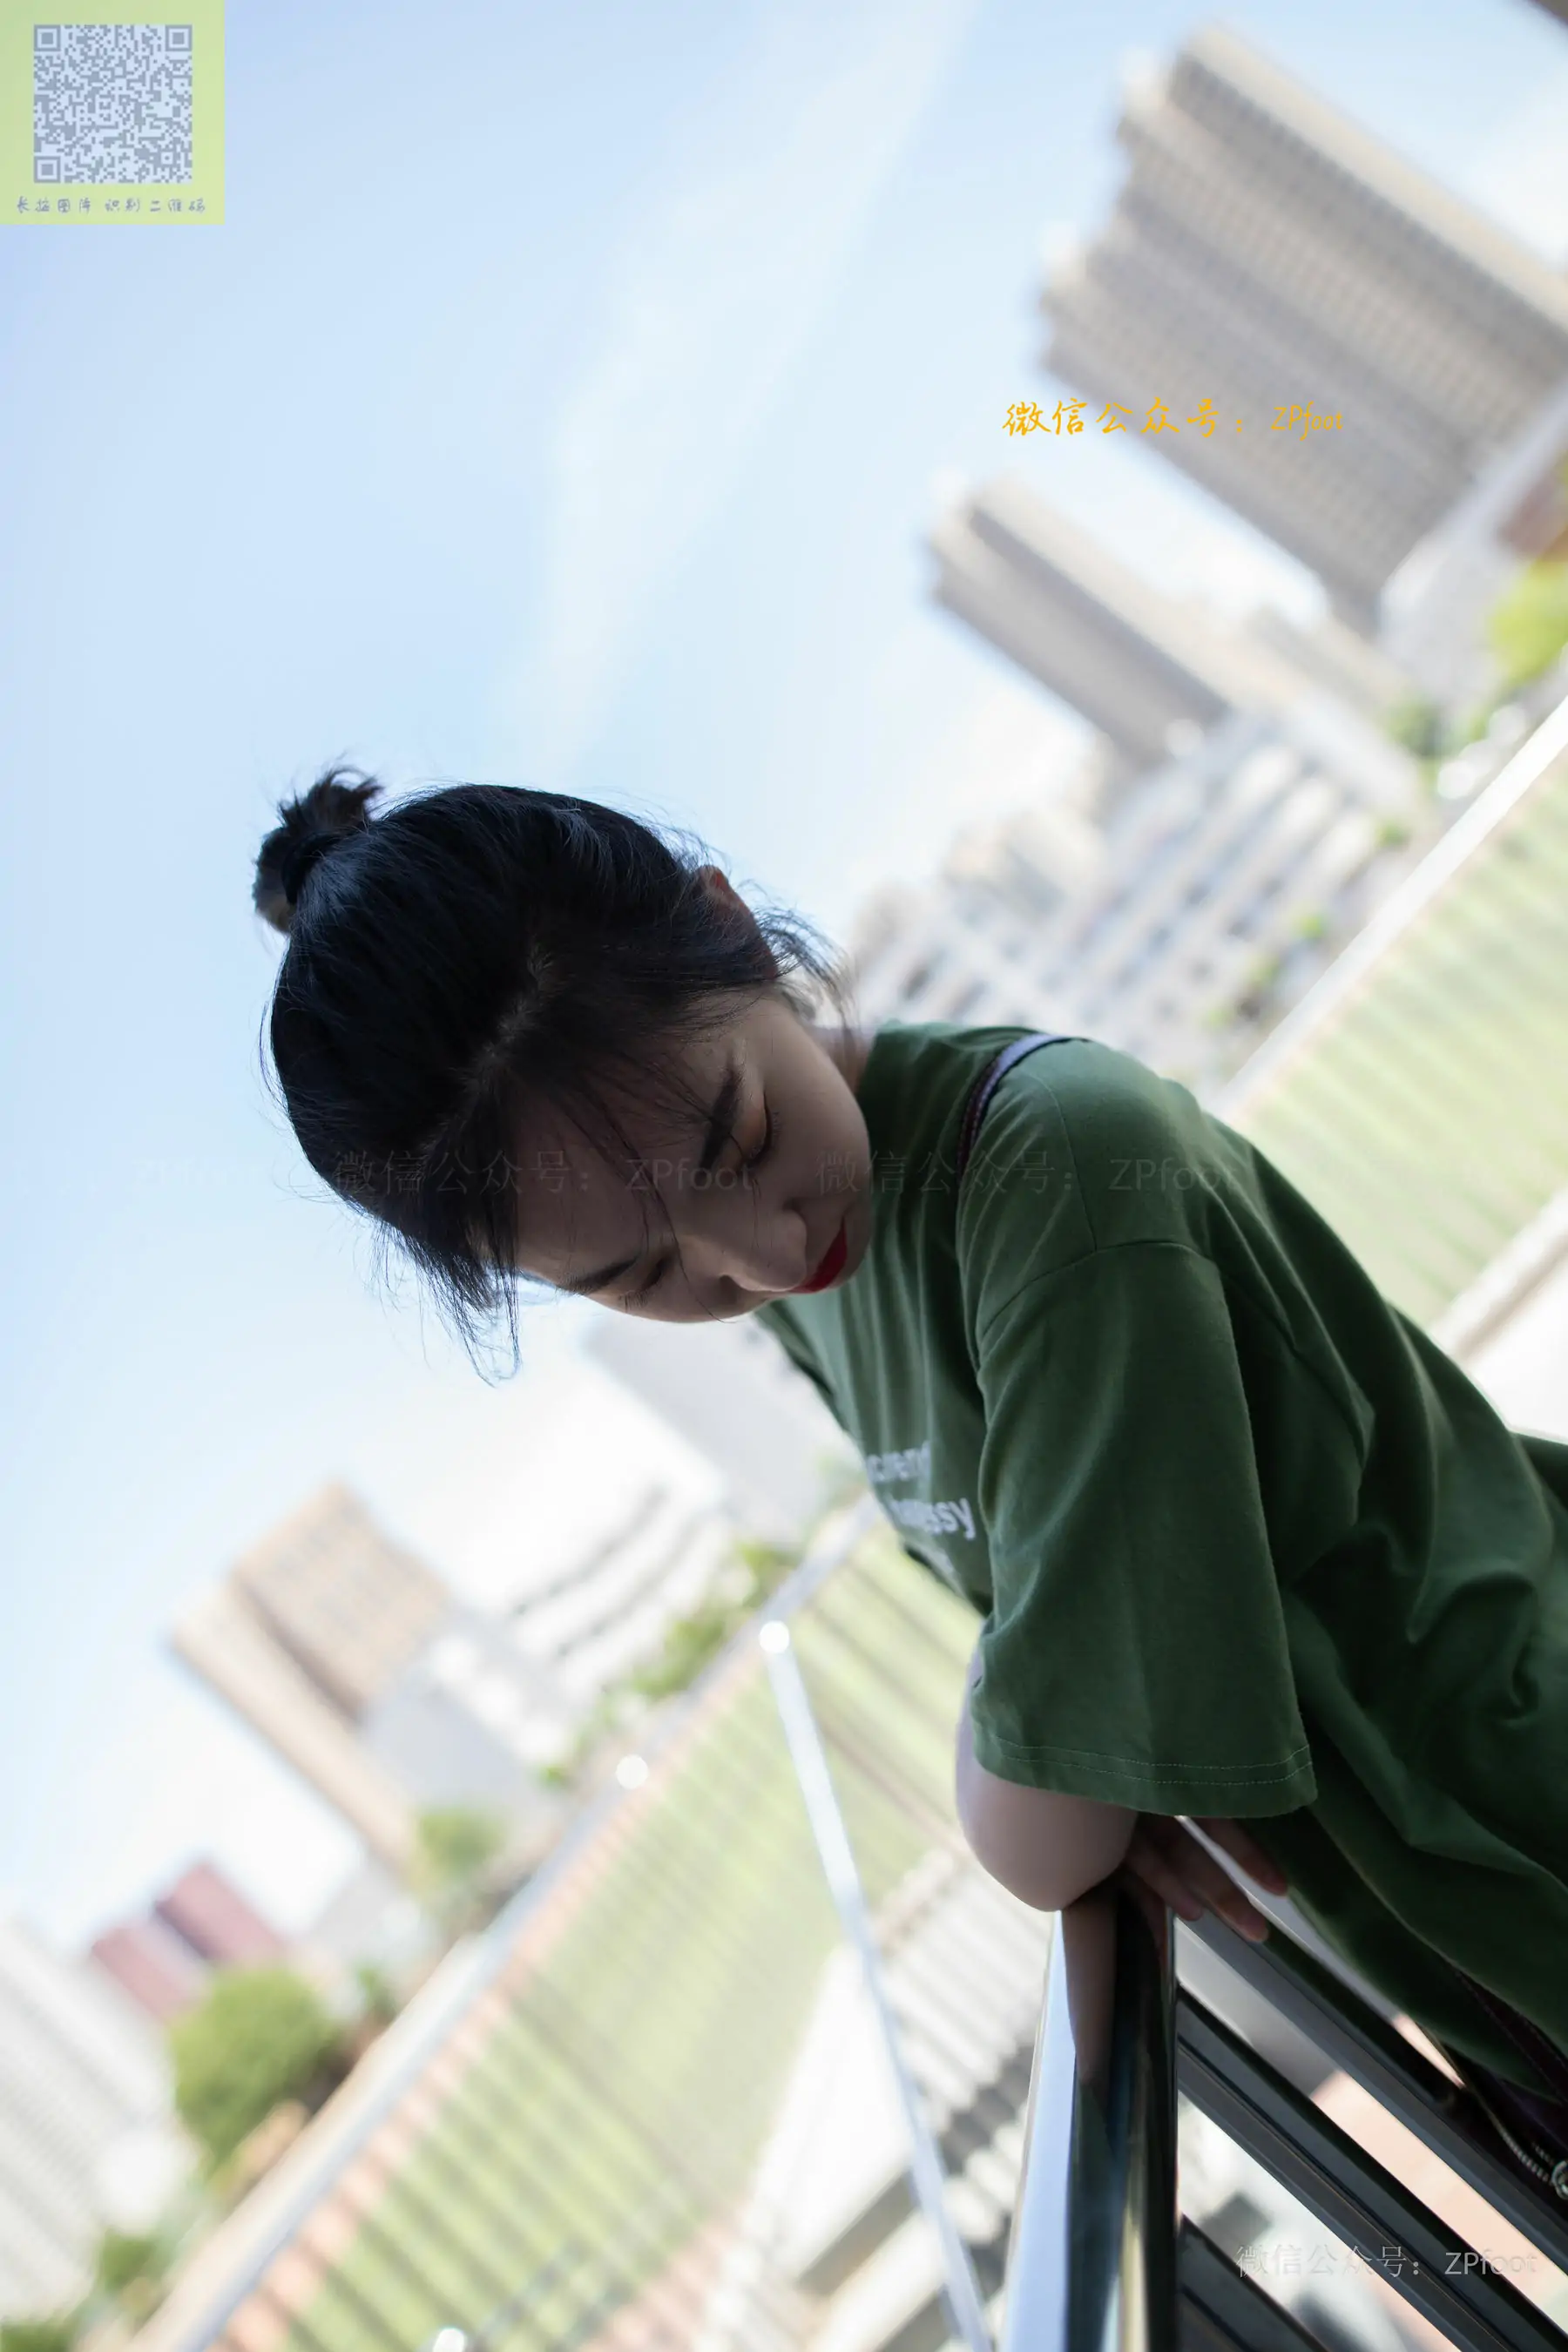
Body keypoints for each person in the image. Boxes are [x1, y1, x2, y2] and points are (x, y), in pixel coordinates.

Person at [253, 765, 1568, 2187]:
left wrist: (1053, 1757)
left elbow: (1040, 1838)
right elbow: (1062, 1740)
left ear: (731, 929)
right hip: (1463, 1930)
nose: (763, 1256)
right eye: (641, 1275)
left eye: (741, 1139)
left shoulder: (1059, 1177)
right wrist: (1069, 1742)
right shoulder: (822, 1276)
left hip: (1519, 1804)